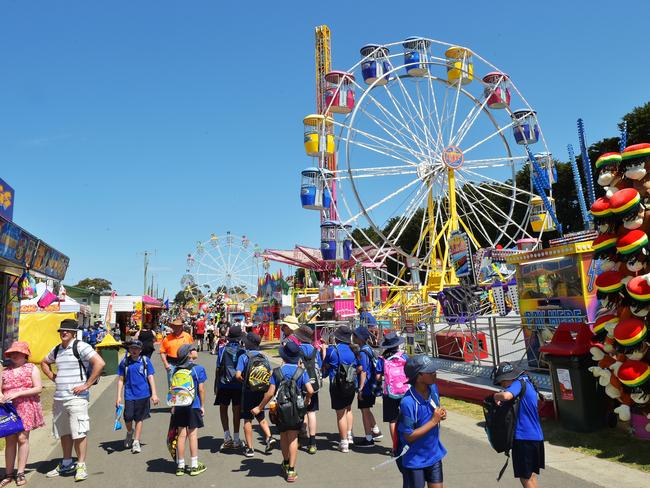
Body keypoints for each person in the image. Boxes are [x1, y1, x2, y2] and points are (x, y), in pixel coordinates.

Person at [41, 319, 105, 482]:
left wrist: (87, 385)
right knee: (64, 432)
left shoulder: (81, 346)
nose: (64, 333)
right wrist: (53, 377)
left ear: (74, 333)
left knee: (79, 432)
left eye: (67, 331)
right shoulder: (57, 349)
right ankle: (67, 462)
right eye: (62, 330)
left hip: (77, 398)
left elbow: (99, 363)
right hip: (59, 398)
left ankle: (81, 465)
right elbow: (44, 362)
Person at [252, 341, 313, 483]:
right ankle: (291, 470)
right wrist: (306, 400)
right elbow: (310, 390)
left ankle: (285, 462)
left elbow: (269, 393)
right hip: (296, 410)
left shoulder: (277, 372)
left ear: (283, 356)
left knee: (283, 436)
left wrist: (259, 407)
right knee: (293, 438)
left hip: (280, 409)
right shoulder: (300, 372)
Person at [397, 355, 447, 488]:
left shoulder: (433, 389)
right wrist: (433, 421)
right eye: (430, 372)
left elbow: (435, 412)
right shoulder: (408, 402)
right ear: (419, 377)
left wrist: (440, 415)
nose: (435, 374)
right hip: (414, 460)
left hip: (434, 455)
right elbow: (408, 436)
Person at [492, 362, 544, 488]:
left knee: (525, 478)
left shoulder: (517, 383)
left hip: (523, 438)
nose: (503, 385)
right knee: (531, 476)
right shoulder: (528, 382)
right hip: (537, 437)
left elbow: (506, 395)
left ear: (508, 377)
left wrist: (495, 396)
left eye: (502, 382)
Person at [0, 341, 44, 487]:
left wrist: (19, 393)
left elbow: (38, 388)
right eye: (12, 353)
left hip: (26, 406)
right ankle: (8, 474)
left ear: (25, 354)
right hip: (8, 409)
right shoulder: (5, 371)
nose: (14, 355)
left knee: (22, 438)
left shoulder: (31, 368)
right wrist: (1, 396)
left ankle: (20, 472)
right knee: (10, 440)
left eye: (17, 353)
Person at [235, 332, 276, 457]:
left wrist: (245, 381)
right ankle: (269, 437)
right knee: (261, 416)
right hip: (261, 392)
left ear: (248, 343)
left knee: (247, 420)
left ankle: (250, 448)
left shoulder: (244, 357)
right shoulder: (263, 357)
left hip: (248, 391)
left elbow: (237, 375)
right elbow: (270, 373)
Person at [116, 340, 159, 454]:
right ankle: (130, 432)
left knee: (139, 418)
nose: (134, 350)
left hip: (143, 394)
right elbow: (121, 380)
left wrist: (154, 394)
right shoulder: (125, 362)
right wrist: (118, 396)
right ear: (129, 349)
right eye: (132, 348)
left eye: (136, 348)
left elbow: (150, 377)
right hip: (129, 394)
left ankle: (136, 441)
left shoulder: (145, 361)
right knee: (128, 416)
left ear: (140, 350)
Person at [170, 344, 207, 476]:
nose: (195, 351)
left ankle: (180, 466)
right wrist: (202, 405)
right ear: (189, 355)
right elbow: (201, 389)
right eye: (193, 350)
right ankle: (194, 465)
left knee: (181, 435)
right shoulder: (198, 369)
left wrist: (174, 406)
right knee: (192, 435)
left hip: (180, 406)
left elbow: (173, 389)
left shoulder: (175, 370)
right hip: (193, 405)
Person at [321, 325, 359, 453]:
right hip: (351, 383)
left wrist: (323, 353)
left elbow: (325, 367)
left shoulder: (333, 350)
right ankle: (349, 434)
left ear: (338, 338)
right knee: (349, 409)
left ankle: (343, 442)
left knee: (340, 413)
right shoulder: (354, 350)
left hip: (337, 385)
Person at [215, 325, 245, 450]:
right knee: (236, 410)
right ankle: (237, 438)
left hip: (223, 383)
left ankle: (227, 437)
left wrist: (216, 385)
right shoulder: (243, 351)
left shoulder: (222, 349)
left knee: (223, 409)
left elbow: (218, 368)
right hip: (238, 384)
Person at [377, 332, 409, 449]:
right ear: (397, 345)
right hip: (405, 390)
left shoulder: (382, 359)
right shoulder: (404, 357)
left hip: (389, 392)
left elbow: (377, 377)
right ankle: (407, 443)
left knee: (392, 420)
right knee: (407, 417)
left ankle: (395, 447)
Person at [353, 327, 382, 448]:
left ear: (359, 338)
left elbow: (364, 371)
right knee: (367, 409)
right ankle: (375, 430)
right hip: (371, 385)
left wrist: (360, 388)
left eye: (355, 335)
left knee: (364, 411)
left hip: (366, 387)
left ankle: (368, 438)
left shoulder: (363, 352)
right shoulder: (368, 349)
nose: (353, 337)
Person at [294, 325, 321, 454]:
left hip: (300, 385)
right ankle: (312, 443)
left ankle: (299, 438)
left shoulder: (297, 350)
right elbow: (320, 366)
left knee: (299, 412)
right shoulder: (315, 350)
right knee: (312, 413)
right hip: (314, 385)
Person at [160, 318, 193, 387]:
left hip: (185, 362)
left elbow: (191, 349)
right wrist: (166, 364)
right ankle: (172, 397)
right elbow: (162, 352)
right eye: (175, 326)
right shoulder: (167, 338)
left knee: (185, 382)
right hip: (171, 363)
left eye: (178, 326)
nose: (177, 328)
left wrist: (191, 359)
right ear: (172, 327)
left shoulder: (187, 336)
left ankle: (184, 397)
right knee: (172, 383)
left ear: (181, 327)